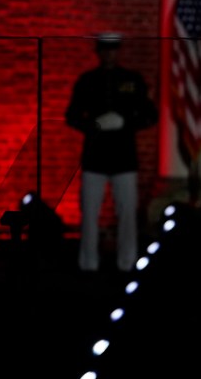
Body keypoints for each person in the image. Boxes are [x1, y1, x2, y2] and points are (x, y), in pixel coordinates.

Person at [65, 32, 158, 274]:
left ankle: (127, 263)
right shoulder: (87, 81)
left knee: (127, 213)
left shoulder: (132, 80)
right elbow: (72, 116)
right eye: (104, 50)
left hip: (123, 156)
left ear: (118, 52)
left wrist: (125, 122)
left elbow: (150, 115)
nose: (109, 54)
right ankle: (88, 263)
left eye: (112, 50)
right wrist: (93, 125)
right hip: (95, 156)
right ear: (99, 52)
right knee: (89, 214)